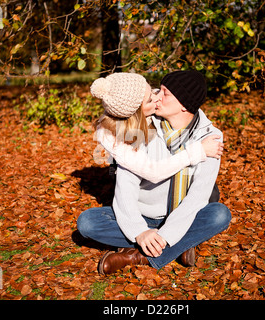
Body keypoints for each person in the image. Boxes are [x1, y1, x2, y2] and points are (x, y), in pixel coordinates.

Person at [77, 70, 231, 274]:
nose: (157, 97)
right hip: (143, 214)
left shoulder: (210, 137)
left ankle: (138, 256)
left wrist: (168, 234)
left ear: (184, 105)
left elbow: (198, 197)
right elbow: (126, 187)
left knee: (220, 215)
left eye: (165, 93)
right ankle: (180, 246)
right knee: (87, 222)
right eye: (158, 90)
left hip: (182, 215)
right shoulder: (143, 125)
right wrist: (139, 231)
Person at [90, 72, 223, 184]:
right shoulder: (111, 138)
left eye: (155, 90)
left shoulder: (148, 98)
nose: (156, 98)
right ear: (137, 113)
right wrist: (199, 150)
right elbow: (153, 172)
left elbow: (184, 100)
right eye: (149, 100)